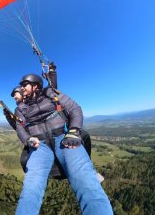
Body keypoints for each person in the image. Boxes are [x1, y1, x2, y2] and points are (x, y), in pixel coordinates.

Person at [14, 74, 113, 215]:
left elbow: (74, 109)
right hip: (39, 144)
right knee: (31, 186)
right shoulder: (21, 108)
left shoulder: (51, 94)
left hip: (64, 138)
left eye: (25, 84)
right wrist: (28, 139)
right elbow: (19, 127)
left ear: (35, 85)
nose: (22, 88)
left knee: (85, 180)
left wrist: (74, 131)